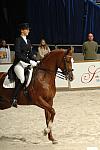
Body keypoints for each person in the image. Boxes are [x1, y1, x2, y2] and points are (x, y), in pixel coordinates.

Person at [10, 23, 37, 108]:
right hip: (19, 63)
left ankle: (27, 92)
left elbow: (30, 54)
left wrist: (36, 60)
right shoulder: (18, 40)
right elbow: (18, 54)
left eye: (28, 29)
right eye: (26, 29)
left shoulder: (28, 41)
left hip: (26, 63)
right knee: (22, 79)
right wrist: (29, 61)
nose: (28, 30)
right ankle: (14, 98)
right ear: (22, 30)